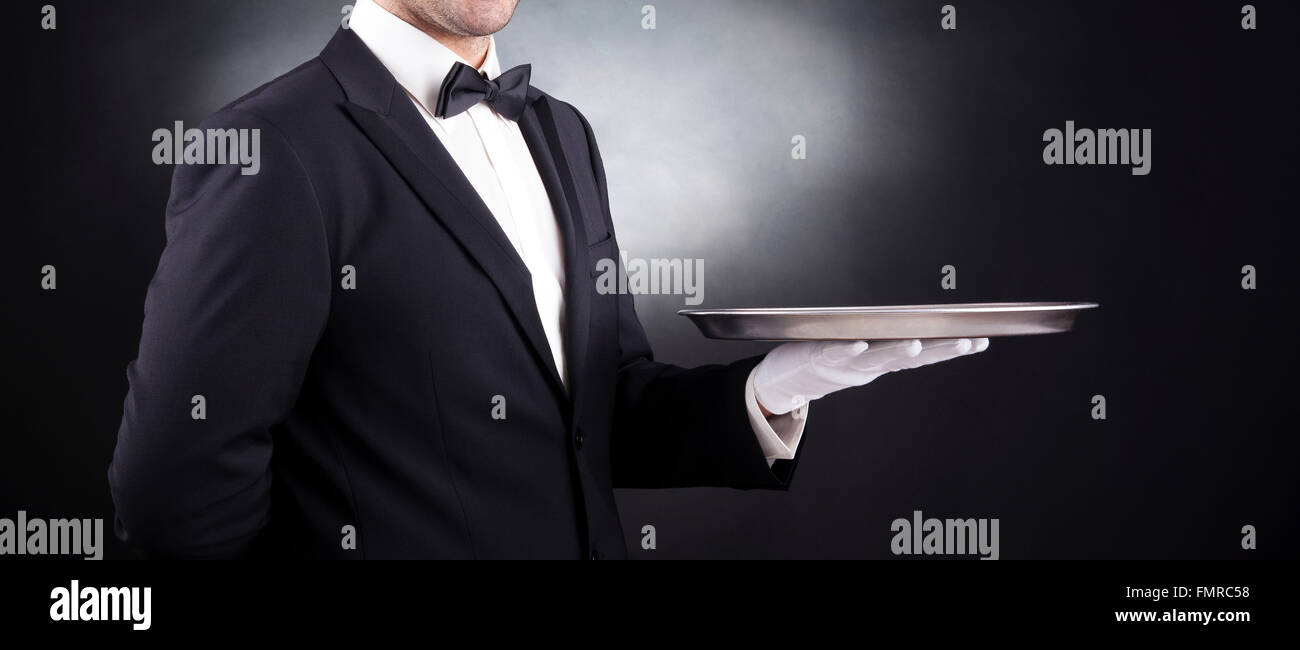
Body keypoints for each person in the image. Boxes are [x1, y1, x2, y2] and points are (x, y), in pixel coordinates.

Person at [109, 0, 987, 559]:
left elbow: (595, 414)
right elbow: (174, 491)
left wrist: (763, 394)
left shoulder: (562, 130)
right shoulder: (273, 149)